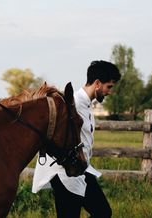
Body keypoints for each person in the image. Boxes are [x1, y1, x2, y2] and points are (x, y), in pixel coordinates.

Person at [32, 60, 121, 218]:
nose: (109, 92)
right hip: (65, 171)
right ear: (98, 83)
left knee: (103, 212)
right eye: (109, 87)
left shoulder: (86, 105)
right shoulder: (72, 105)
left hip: (80, 168)